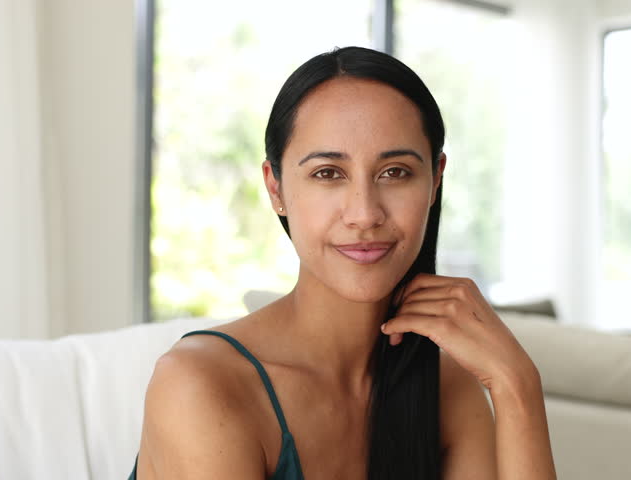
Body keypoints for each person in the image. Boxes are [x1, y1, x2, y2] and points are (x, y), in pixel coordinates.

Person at [128, 46, 556, 479]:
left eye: (395, 172)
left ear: (435, 179)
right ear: (275, 188)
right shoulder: (201, 384)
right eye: (328, 173)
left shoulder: (446, 386)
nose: (365, 213)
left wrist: (517, 384)